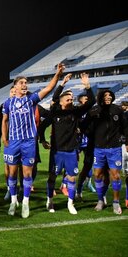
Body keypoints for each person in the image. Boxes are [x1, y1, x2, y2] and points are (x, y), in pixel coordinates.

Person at [1, 63, 64, 218]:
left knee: (27, 174)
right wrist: (4, 137)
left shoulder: (32, 99)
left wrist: (58, 74)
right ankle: (13, 201)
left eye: (26, 83)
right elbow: (4, 121)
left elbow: (48, 88)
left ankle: (25, 203)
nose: (24, 85)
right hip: (13, 142)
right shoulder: (8, 103)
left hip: (29, 142)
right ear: (14, 87)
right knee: (12, 174)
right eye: (21, 83)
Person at [40, 73, 94, 214]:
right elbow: (42, 126)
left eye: (72, 99)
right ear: (62, 102)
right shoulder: (55, 113)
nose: (71, 101)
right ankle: (50, 200)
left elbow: (91, 102)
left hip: (71, 151)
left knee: (71, 177)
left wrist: (87, 86)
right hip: (56, 152)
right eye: (68, 99)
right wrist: (42, 140)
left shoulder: (75, 112)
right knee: (52, 176)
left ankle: (70, 203)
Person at [86, 89, 128, 214]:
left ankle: (116, 202)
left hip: (114, 148)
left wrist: (127, 142)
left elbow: (125, 127)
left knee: (115, 175)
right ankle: (100, 200)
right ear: (100, 97)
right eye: (105, 95)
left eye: (110, 95)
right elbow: (85, 126)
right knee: (97, 174)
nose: (108, 97)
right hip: (98, 148)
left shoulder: (117, 110)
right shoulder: (94, 110)